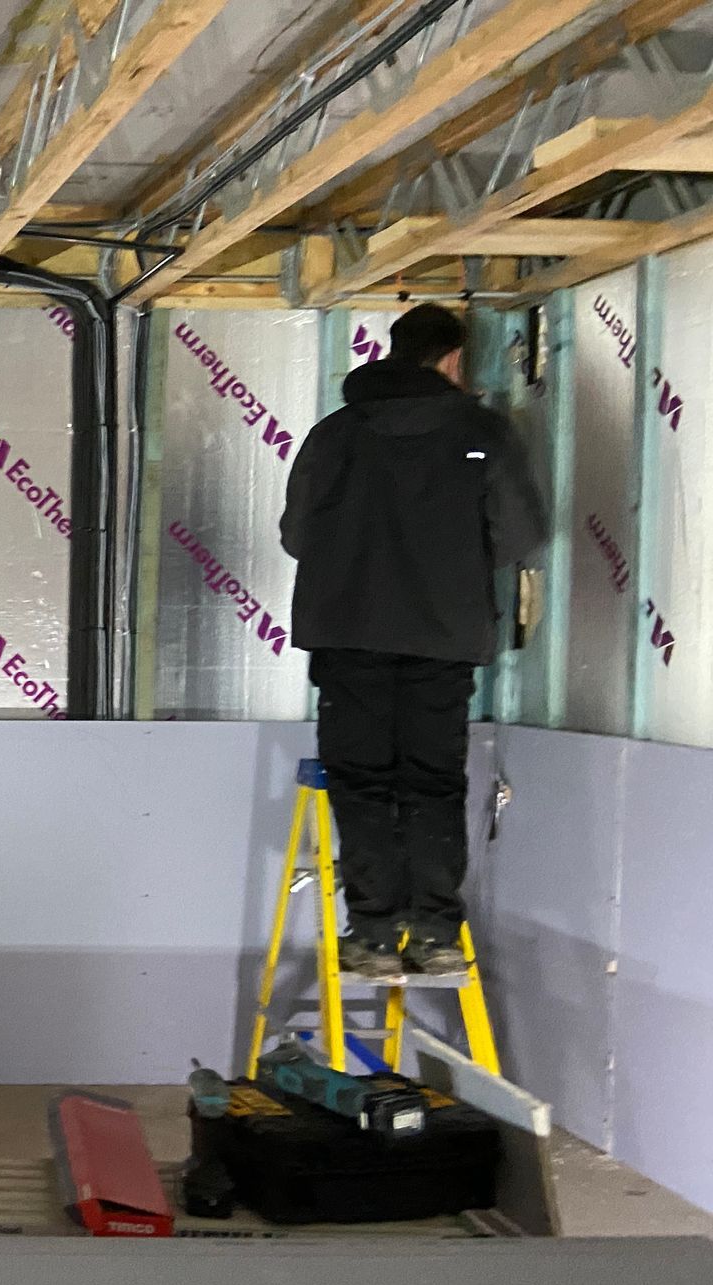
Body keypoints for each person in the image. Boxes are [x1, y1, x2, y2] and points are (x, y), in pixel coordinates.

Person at [280, 303, 547, 979]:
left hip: (346, 634)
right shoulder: (482, 430)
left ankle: (371, 935)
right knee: (432, 781)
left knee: (362, 781)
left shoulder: (335, 433)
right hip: (444, 635)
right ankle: (435, 935)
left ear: (393, 351)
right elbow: (521, 537)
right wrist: (448, 562)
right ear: (453, 358)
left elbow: (297, 535)